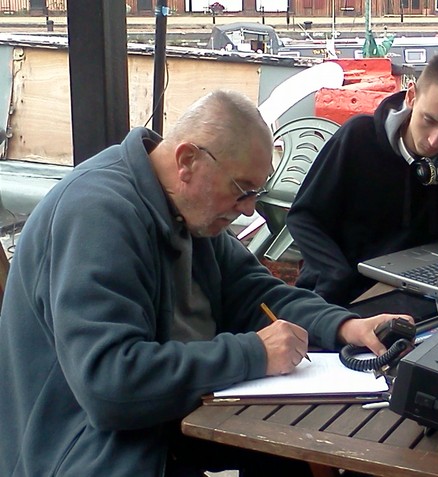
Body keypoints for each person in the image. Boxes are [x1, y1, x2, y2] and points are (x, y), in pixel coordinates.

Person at [0, 90, 407, 477]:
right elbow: (109, 386)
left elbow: (254, 293)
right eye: (242, 191)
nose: (248, 210)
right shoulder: (96, 215)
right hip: (89, 452)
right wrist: (253, 354)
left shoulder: (186, 206)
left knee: (294, 457)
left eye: (257, 193)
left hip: (162, 424)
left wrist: (344, 326)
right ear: (187, 160)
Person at [286, 52, 438, 306]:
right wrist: (336, 274)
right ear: (411, 96)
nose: (435, 141)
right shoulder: (358, 138)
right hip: (343, 293)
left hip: (412, 288)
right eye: (429, 120)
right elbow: (302, 217)